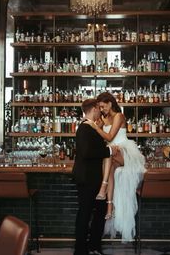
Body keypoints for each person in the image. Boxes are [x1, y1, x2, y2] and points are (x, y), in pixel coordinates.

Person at [85, 92, 146, 242]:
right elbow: (99, 136)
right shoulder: (102, 118)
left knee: (109, 156)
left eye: (103, 106)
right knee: (109, 163)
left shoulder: (119, 116)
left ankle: (103, 190)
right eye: (99, 107)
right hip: (112, 154)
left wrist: (94, 126)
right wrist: (92, 125)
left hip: (125, 151)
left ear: (110, 103)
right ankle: (110, 206)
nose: (102, 109)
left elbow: (110, 137)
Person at [72, 98, 119, 255]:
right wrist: (109, 151)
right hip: (87, 178)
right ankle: (80, 250)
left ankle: (93, 247)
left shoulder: (91, 127)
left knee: (98, 213)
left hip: (94, 179)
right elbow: (86, 153)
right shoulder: (85, 128)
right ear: (93, 109)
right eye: (98, 108)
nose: (100, 111)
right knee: (85, 214)